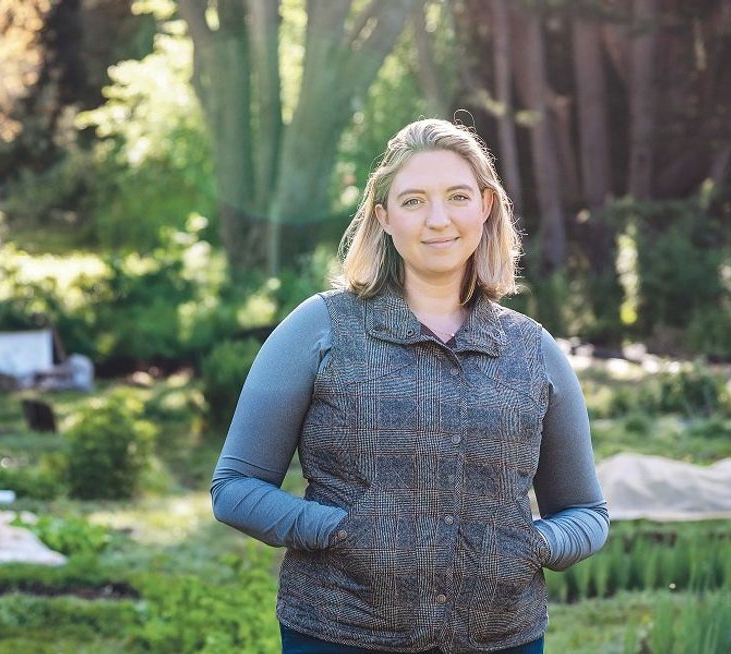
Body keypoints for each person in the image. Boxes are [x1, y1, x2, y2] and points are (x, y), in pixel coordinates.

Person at [210, 118, 609, 654]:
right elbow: (235, 488)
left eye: (458, 196)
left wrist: (535, 543)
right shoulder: (321, 329)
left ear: (485, 208)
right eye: (414, 200)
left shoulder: (533, 351)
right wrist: (338, 530)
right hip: (340, 632)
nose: (438, 219)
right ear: (385, 218)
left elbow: (587, 512)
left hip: (502, 638)